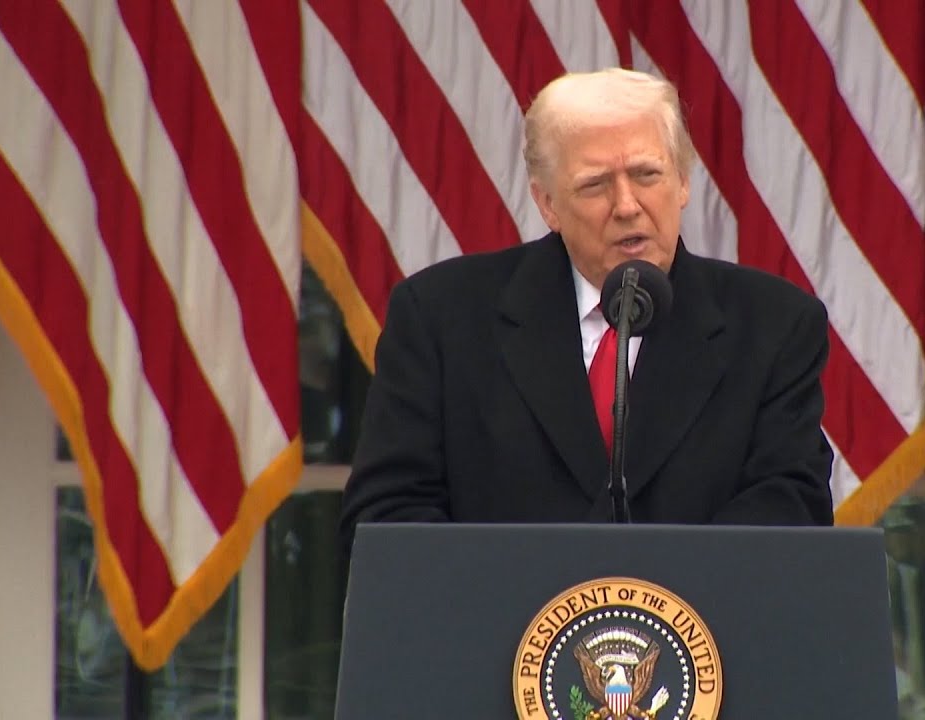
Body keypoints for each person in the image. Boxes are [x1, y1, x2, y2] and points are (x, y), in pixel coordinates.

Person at [338, 68, 833, 554]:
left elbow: (791, 507)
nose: (627, 205)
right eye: (595, 184)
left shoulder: (776, 325)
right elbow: (386, 516)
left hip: (702, 610)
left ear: (683, 181)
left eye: (646, 174)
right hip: (506, 609)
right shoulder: (440, 318)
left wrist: (647, 591)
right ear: (547, 203)